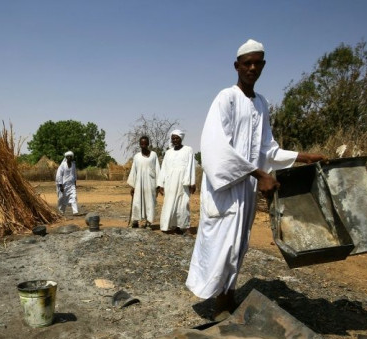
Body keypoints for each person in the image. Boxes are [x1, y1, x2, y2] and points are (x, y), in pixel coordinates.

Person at [186, 39, 327, 319]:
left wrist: (304, 156)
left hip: (246, 190)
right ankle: (219, 304)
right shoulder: (225, 98)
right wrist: (259, 173)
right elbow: (215, 147)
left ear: (263, 66)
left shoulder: (261, 104)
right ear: (236, 66)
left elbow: (266, 149)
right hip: (225, 189)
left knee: (238, 246)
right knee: (222, 246)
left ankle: (226, 301)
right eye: (247, 63)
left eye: (257, 63)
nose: (252, 68)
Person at [158, 129, 196, 234]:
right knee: (169, 204)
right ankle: (171, 226)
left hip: (183, 182)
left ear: (181, 138)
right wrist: (161, 184)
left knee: (183, 204)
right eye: (173, 138)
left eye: (177, 138)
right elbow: (164, 169)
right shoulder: (168, 153)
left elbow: (191, 166)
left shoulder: (188, 150)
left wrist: (192, 182)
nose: (175, 140)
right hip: (170, 183)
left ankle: (185, 226)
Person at [127, 135, 161, 228]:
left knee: (150, 203)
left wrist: (158, 184)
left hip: (151, 184)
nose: (143, 145)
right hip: (139, 184)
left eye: (145, 143)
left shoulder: (153, 155)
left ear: (148, 144)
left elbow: (157, 169)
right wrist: (132, 186)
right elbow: (134, 171)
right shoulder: (137, 156)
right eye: (141, 144)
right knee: (137, 202)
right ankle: (135, 221)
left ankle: (149, 222)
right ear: (139, 144)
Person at [55, 150, 79, 215]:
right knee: (62, 198)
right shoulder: (62, 165)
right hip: (63, 184)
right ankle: (61, 211)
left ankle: (75, 211)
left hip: (71, 184)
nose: (69, 158)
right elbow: (59, 175)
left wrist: (75, 183)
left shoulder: (73, 165)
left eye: (71, 157)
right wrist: (60, 185)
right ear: (66, 157)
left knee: (74, 196)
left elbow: (74, 174)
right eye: (68, 157)